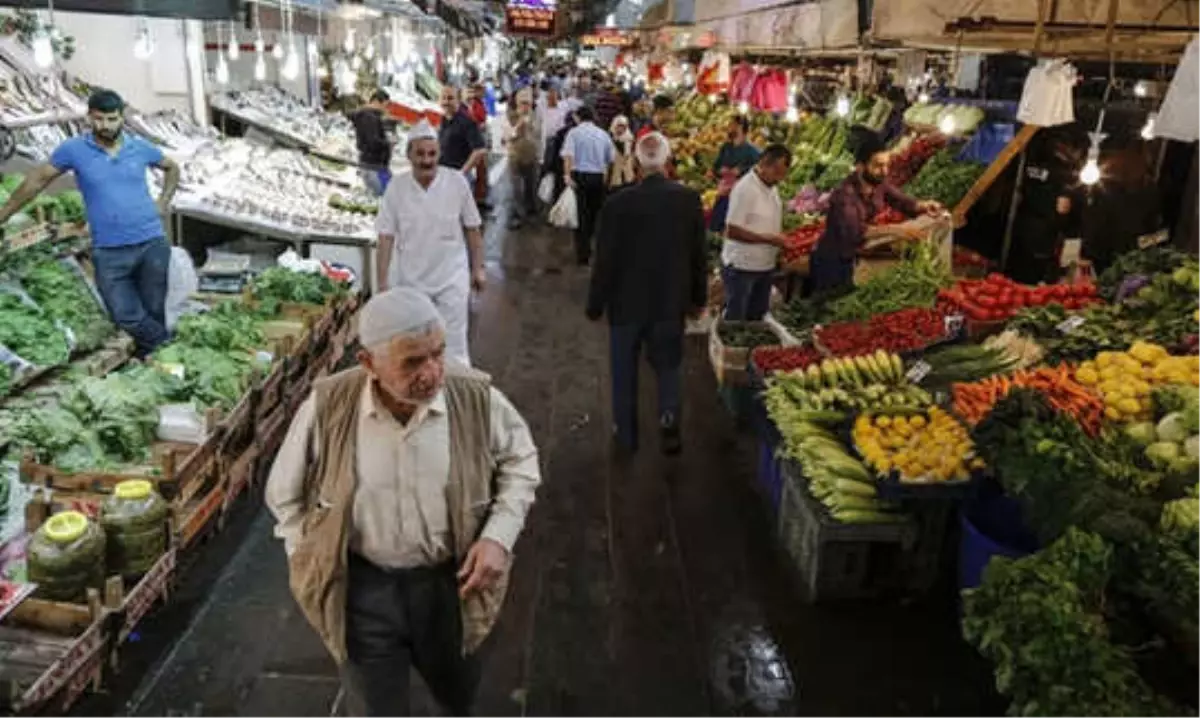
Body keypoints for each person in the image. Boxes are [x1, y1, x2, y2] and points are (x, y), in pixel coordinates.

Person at [266, 286, 541, 718]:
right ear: (368, 363)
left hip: (452, 586)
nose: (433, 372)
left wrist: (498, 537)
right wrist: (309, 554)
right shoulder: (329, 405)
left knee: (458, 694)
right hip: (363, 592)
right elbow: (284, 494)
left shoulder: (474, 397)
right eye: (413, 361)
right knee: (375, 707)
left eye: (438, 353)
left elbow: (520, 462)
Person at [0, 89, 180, 358]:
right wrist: (3, 215)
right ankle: (168, 347)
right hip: (109, 249)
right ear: (89, 117)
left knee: (154, 308)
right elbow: (36, 181)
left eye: (111, 119)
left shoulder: (140, 147)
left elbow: (172, 167)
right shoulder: (73, 150)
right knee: (123, 314)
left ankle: (155, 362)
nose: (104, 126)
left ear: (122, 117)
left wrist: (163, 201)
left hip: (152, 243)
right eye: (98, 119)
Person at [587, 132, 708, 455]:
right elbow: (699, 255)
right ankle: (669, 418)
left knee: (624, 371)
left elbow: (605, 259)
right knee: (668, 366)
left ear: (636, 165)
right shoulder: (688, 200)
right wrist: (699, 299)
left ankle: (625, 435)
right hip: (670, 302)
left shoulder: (616, 204)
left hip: (626, 304)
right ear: (668, 163)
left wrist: (595, 304)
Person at [377, 122, 486, 367]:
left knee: (454, 343)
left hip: (451, 278)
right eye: (420, 154)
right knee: (416, 342)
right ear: (408, 155)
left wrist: (478, 268)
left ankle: (457, 393)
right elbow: (385, 236)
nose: (426, 160)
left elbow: (472, 229)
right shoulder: (397, 188)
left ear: (439, 154)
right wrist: (382, 283)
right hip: (412, 280)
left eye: (432, 154)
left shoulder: (457, 182)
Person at [812, 133, 942, 294]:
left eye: (887, 165)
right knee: (829, 307)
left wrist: (924, 205)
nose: (884, 171)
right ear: (860, 166)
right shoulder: (845, 195)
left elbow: (901, 201)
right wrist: (898, 231)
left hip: (854, 255)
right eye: (878, 166)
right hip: (833, 260)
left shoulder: (879, 184)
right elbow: (857, 231)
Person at [721, 144, 793, 320]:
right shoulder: (745, 189)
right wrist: (767, 239)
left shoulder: (772, 188)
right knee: (736, 319)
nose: (780, 179)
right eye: (777, 173)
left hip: (765, 267)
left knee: (757, 319)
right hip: (742, 267)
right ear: (765, 165)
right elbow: (732, 230)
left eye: (783, 174)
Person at [561, 105, 615, 266]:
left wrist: (567, 175)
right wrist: (607, 178)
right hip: (598, 178)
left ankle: (583, 254)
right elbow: (611, 159)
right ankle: (593, 248)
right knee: (594, 215)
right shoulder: (603, 134)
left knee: (580, 215)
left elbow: (568, 156)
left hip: (580, 176)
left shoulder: (574, 133)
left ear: (578, 117)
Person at [438, 87, 490, 210]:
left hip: (458, 177)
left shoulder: (467, 121)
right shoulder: (444, 119)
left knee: (457, 217)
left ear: (458, 100)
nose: (446, 102)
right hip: (443, 175)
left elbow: (479, 150)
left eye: (450, 98)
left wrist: (461, 173)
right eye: (443, 98)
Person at [709, 116, 761, 231]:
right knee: (717, 222)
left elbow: (758, 169)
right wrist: (718, 171)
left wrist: (741, 171)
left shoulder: (752, 151)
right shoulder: (726, 148)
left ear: (740, 127)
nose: (728, 127)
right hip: (723, 192)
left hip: (741, 196)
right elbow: (715, 167)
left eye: (731, 124)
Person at [503, 89, 540, 230]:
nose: (526, 106)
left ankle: (531, 213)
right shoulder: (509, 116)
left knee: (531, 186)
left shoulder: (536, 116)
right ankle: (517, 216)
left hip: (532, 155)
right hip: (515, 156)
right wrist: (519, 125)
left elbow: (539, 134)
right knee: (516, 189)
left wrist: (540, 155)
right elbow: (506, 137)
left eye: (528, 103)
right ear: (516, 102)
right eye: (523, 103)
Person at [350, 89, 394, 197]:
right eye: (385, 105)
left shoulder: (372, 116)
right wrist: (388, 144)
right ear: (376, 102)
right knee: (384, 197)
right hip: (373, 166)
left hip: (377, 166)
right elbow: (373, 142)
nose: (385, 109)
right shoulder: (368, 117)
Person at [607, 115, 638, 193]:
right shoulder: (610, 138)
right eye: (619, 126)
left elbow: (628, 155)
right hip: (613, 172)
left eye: (623, 126)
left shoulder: (629, 138)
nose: (620, 129)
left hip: (626, 173)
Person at [537, 86, 567, 158]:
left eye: (554, 96)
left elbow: (563, 125)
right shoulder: (541, 107)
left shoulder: (563, 107)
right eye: (550, 96)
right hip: (543, 138)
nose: (552, 98)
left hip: (556, 139)